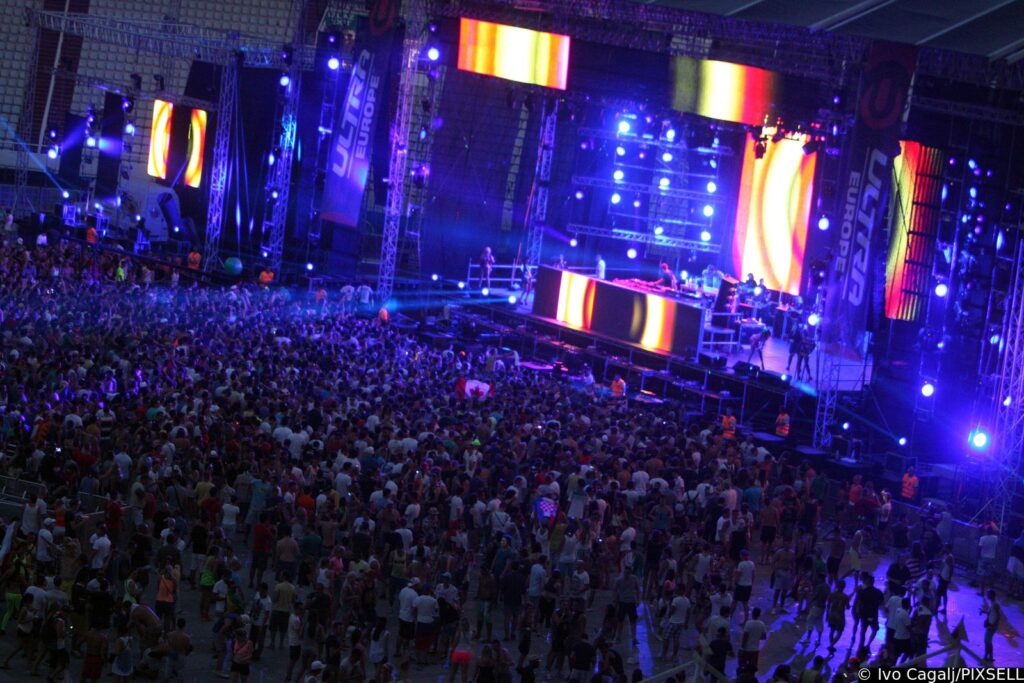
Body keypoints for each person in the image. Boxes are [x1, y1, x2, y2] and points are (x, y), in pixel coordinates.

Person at [981, 590, 1002, 662]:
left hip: (992, 626)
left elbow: (998, 616)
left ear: (992, 595)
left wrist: (993, 625)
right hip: (990, 624)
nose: (987, 596)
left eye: (988, 594)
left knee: (986, 641)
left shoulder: (995, 604)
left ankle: (985, 658)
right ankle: (990, 657)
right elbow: (992, 613)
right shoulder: (992, 603)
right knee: (989, 641)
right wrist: (984, 612)